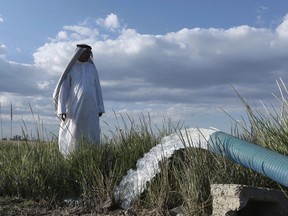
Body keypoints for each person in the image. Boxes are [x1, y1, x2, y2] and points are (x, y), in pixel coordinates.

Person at [53, 44, 105, 156]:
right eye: (85, 52)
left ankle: (92, 156)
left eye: (88, 53)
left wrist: (100, 107)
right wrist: (62, 109)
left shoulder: (92, 68)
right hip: (75, 107)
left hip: (92, 107)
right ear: (79, 52)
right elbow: (64, 90)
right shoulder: (71, 68)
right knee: (74, 131)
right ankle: (72, 156)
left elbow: (97, 87)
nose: (87, 55)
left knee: (92, 131)